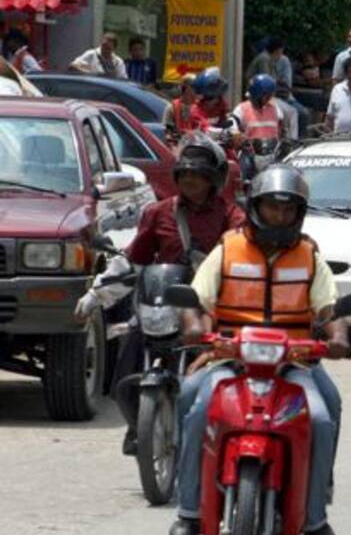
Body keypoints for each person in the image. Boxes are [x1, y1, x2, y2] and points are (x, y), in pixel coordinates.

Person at [168, 165, 350, 535]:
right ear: (256, 207)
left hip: (294, 361)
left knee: (322, 415)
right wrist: (196, 330)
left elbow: (330, 308)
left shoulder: (308, 256)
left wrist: (337, 338)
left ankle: (315, 516)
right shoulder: (228, 248)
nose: (280, 217)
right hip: (231, 357)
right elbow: (197, 299)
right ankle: (188, 510)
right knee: (193, 404)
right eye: (272, 208)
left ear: (298, 213)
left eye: (288, 210)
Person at [85, 134, 244, 454]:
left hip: (211, 309)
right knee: (125, 364)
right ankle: (136, 426)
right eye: (185, 174)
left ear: (213, 180)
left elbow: (241, 260)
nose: (190, 181)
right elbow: (134, 258)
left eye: (198, 176)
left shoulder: (233, 217)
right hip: (160, 305)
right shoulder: (157, 213)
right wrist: (96, 294)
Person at [232, 74, 284, 141]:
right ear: (257, 94)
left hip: (273, 150)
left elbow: (281, 132)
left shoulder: (276, 109)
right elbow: (233, 132)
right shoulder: (240, 110)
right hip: (249, 150)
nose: (269, 98)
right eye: (266, 95)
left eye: (270, 95)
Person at [162, 74, 209, 141]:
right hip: (179, 146)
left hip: (198, 147)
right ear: (186, 88)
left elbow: (207, 130)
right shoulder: (172, 108)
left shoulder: (202, 107)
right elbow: (168, 134)